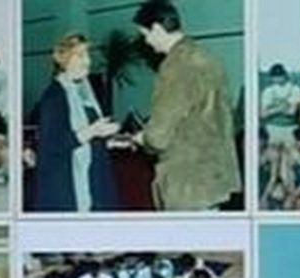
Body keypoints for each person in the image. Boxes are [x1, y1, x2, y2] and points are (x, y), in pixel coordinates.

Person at [133, 1, 241, 211]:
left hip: (187, 181)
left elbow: (158, 136)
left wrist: (142, 138)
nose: (146, 41)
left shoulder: (175, 66)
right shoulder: (207, 58)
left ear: (157, 28)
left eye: (145, 34)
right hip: (215, 177)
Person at [32, 34, 119, 212]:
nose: (88, 61)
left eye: (87, 54)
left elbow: (89, 134)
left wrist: (110, 141)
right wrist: (93, 131)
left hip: (95, 177)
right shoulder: (54, 96)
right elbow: (53, 144)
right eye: (80, 55)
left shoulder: (86, 91)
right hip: (67, 184)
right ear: (65, 60)